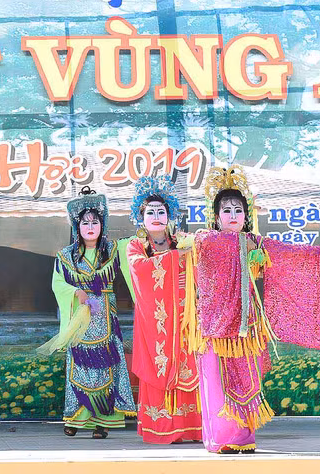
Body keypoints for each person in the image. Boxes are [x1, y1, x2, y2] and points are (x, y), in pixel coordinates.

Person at [185, 165, 320, 454]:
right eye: (226, 210)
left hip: (247, 328)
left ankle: (243, 438)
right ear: (215, 216)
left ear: (246, 216)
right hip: (215, 327)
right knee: (216, 383)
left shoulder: (255, 242)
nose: (233, 215)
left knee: (248, 381)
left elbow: (292, 253)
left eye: (238, 210)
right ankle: (221, 439)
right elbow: (190, 251)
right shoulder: (205, 240)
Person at [47, 187, 135, 438]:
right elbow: (57, 283)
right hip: (80, 319)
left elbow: (138, 249)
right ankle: (76, 418)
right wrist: (76, 292)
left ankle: (103, 422)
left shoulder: (114, 250)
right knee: (79, 367)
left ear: (102, 225)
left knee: (108, 368)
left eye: (95, 222)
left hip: (106, 316)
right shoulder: (66, 256)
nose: (90, 227)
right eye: (84, 222)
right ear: (77, 226)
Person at [126, 175, 201, 444]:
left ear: (169, 216)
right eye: (150, 212)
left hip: (186, 316)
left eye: (161, 212)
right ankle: (164, 427)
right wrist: (176, 258)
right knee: (159, 363)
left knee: (189, 365)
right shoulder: (136, 246)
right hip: (156, 319)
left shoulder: (182, 240)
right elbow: (140, 270)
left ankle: (191, 427)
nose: (156, 217)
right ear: (141, 218)